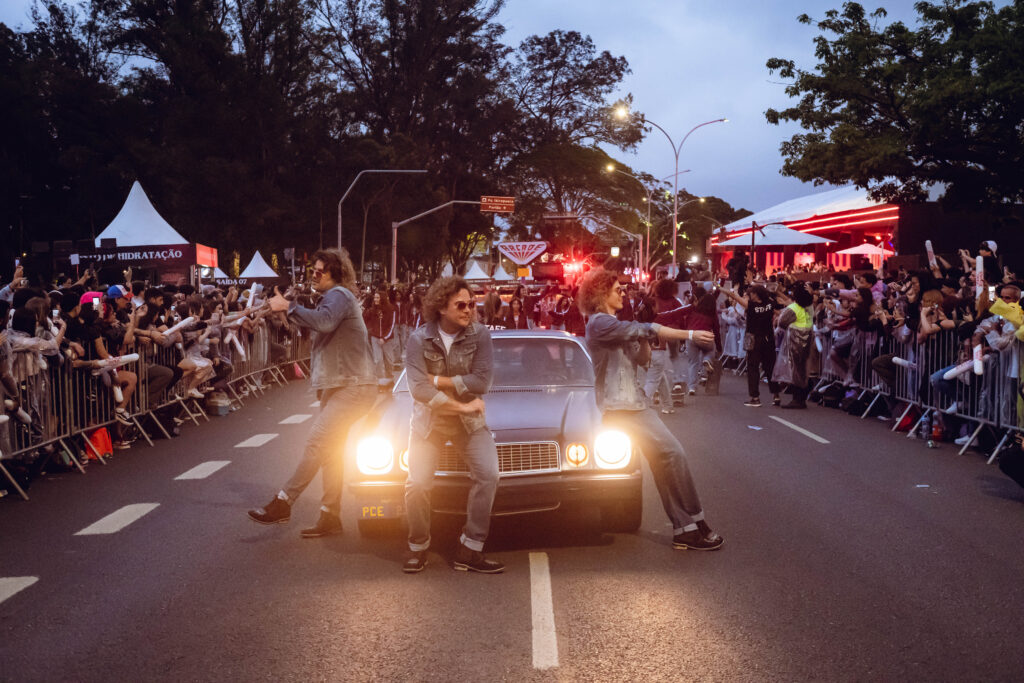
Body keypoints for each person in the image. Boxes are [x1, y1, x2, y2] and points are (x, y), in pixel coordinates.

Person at [578, 267, 723, 551]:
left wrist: (642, 333)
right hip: (618, 408)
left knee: (663, 461)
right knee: (674, 454)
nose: (623, 292)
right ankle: (695, 522)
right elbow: (652, 330)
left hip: (634, 404)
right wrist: (690, 334)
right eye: (617, 289)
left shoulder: (618, 325)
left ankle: (686, 528)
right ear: (599, 294)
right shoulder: (598, 323)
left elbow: (643, 359)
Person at [247, 249, 377, 538]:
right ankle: (330, 515)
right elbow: (322, 331)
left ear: (336, 273)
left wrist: (289, 306)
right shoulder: (334, 298)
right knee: (331, 452)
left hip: (352, 386)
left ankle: (283, 502)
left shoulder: (339, 295)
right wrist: (285, 316)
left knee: (318, 442)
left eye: (320, 271)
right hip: (342, 385)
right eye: (313, 270)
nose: (314, 275)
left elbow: (325, 322)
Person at [402, 276, 501, 574]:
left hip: (469, 424)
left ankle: (470, 548)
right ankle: (418, 547)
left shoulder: (480, 335)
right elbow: (418, 390)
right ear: (441, 307)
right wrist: (461, 402)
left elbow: (481, 381)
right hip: (429, 423)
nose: (469, 309)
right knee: (417, 483)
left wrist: (438, 382)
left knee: (489, 475)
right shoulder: (419, 339)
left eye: (472, 303)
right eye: (461, 304)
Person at [723, 284, 781, 407]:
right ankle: (776, 394)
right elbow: (779, 312)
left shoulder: (751, 306)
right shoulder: (770, 304)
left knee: (753, 367)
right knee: (770, 367)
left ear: (756, 294)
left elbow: (734, 296)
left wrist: (721, 288)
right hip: (768, 339)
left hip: (754, 339)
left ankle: (755, 397)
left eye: (751, 293)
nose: (749, 295)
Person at [773, 284, 815, 409]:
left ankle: (798, 399)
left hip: (795, 342)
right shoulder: (810, 307)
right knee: (802, 370)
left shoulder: (793, 308)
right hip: (807, 341)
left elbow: (782, 322)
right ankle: (801, 397)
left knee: (796, 370)